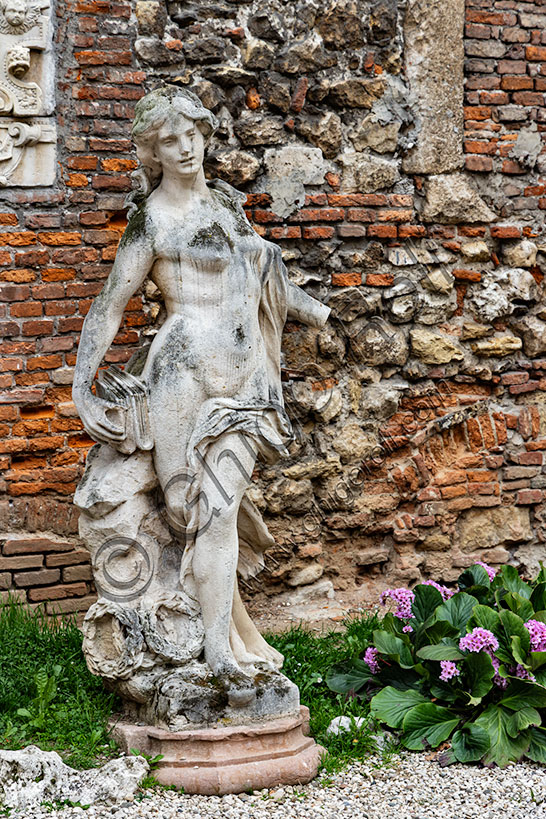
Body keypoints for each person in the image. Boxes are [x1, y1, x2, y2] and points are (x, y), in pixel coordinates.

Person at [73, 86, 329, 705]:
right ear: (153, 152)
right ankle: (220, 634)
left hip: (242, 380)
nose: (185, 147)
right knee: (191, 512)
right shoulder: (152, 220)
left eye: (192, 133)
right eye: (170, 139)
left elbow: (255, 278)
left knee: (218, 510)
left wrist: (311, 310)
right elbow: (111, 307)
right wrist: (83, 386)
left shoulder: (225, 207)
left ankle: (219, 650)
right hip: (182, 376)